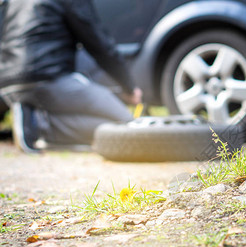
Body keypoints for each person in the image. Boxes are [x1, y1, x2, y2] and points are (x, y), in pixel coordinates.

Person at [0, 0, 142, 153]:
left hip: (7, 83)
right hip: (49, 77)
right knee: (124, 122)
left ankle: (34, 117)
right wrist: (129, 87)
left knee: (115, 123)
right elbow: (98, 42)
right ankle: (39, 124)